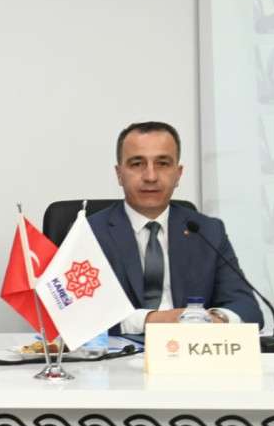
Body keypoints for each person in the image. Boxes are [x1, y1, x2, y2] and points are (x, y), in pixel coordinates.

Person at [89, 122, 263, 334]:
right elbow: (77, 314)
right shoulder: (89, 234)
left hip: (191, 350)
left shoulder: (208, 232)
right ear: (119, 174)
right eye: (137, 164)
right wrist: (152, 320)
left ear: (178, 174)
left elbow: (247, 308)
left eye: (162, 164)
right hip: (119, 353)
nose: (151, 176)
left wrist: (214, 320)